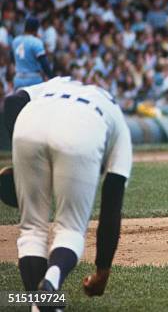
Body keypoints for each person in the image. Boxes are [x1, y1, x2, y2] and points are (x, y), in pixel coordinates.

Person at [3, 77, 132, 303]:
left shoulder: (57, 83)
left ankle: (42, 305)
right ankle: (52, 280)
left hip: (30, 120)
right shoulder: (117, 121)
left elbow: (13, 102)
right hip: (83, 128)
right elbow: (111, 207)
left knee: (32, 230)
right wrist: (102, 272)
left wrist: (24, 164)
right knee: (70, 229)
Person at [10, 17, 53, 90]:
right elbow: (44, 63)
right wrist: (52, 77)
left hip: (18, 79)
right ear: (36, 29)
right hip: (33, 80)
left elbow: (12, 58)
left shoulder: (15, 41)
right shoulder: (36, 42)